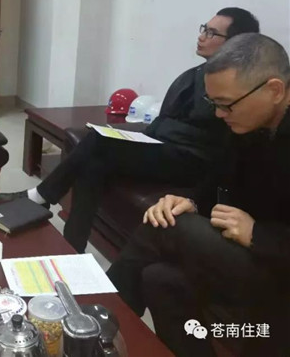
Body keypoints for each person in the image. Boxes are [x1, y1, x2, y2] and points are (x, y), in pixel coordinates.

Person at [0, 8, 260, 252]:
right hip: (163, 146)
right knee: (94, 165)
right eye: (204, 28)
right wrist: (146, 135)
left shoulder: (236, 87)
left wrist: (159, 133)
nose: (201, 36)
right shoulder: (196, 73)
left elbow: (203, 135)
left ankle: (42, 195)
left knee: (97, 141)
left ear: (236, 43)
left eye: (212, 33)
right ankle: (72, 247)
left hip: (190, 161)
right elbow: (167, 119)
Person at [107, 33, 290, 357]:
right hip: (253, 255)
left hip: (277, 263)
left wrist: (258, 235)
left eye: (226, 104)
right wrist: (191, 202)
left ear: (274, 90)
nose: (219, 114)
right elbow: (220, 181)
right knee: (159, 278)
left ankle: (95, 327)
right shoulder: (247, 124)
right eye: (213, 103)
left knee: (167, 227)